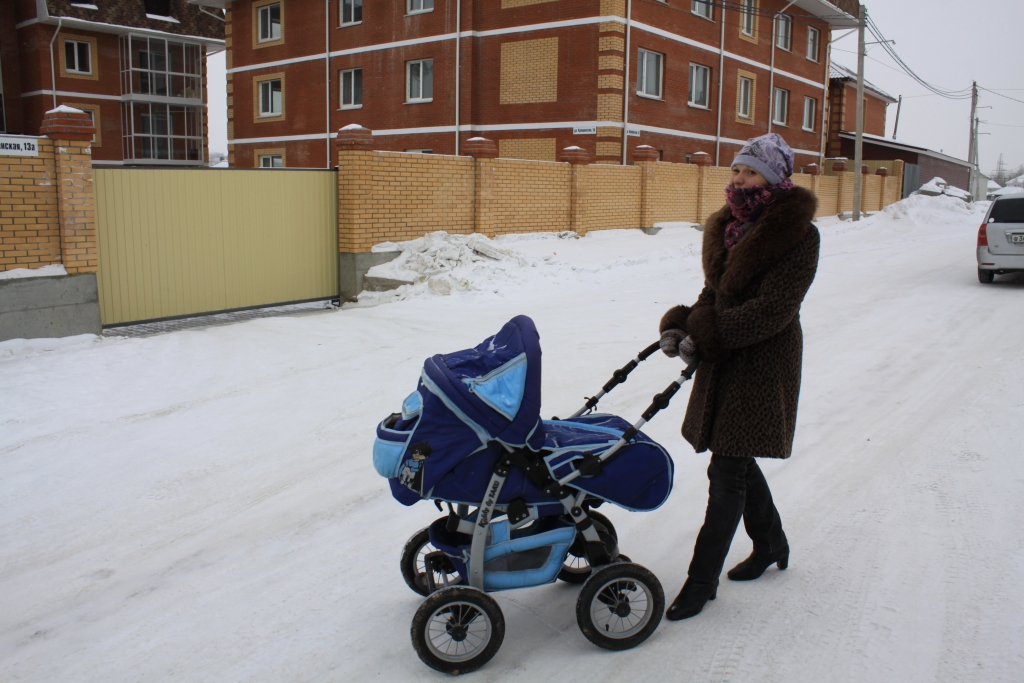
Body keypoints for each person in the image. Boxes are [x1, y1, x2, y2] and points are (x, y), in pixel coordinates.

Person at [658, 133, 820, 621]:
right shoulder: (728, 227)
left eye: (750, 172)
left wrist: (707, 336)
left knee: (727, 469)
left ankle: (701, 580)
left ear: (774, 178)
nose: (738, 179)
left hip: (762, 361)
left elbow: (773, 310)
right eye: (735, 170)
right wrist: (681, 323)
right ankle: (771, 543)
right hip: (725, 355)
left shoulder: (798, 235)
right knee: (738, 459)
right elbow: (714, 295)